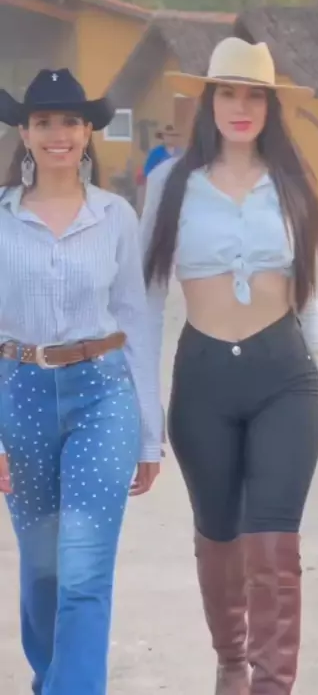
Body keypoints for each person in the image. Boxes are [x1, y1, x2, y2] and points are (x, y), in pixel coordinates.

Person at [140, 36, 318, 695]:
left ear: (271, 106)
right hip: (203, 380)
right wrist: (144, 408)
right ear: (210, 101)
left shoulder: (292, 183)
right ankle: (232, 664)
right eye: (228, 93)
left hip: (285, 378)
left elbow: (307, 296)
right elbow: (145, 304)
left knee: (274, 547)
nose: (241, 107)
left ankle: (272, 684)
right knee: (219, 537)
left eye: (254, 95)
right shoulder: (171, 185)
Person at [0, 68, 163, 695]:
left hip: (102, 394)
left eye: (70, 121)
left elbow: (136, 320)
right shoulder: (3, 216)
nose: (58, 134)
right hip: (20, 395)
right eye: (44, 122)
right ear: (24, 132)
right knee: (42, 569)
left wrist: (149, 434)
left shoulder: (116, 216)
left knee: (85, 568)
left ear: (88, 131)